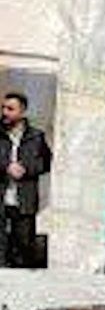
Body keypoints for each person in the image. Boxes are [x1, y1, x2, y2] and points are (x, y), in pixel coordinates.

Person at [2, 92, 52, 268]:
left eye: (10, 109)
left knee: (24, 246)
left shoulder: (37, 136)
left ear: (22, 111)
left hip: (25, 199)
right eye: (3, 108)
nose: (5, 112)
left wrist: (27, 170)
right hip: (2, 196)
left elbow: (46, 163)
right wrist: (6, 166)